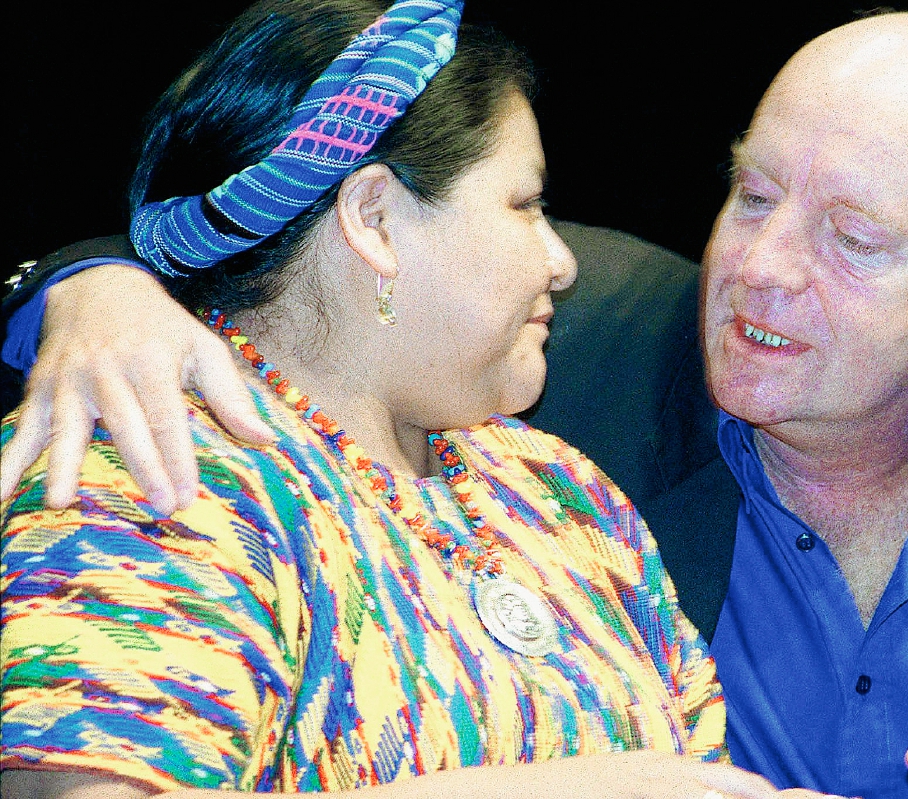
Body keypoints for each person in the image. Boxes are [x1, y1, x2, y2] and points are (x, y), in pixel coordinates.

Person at [3, 9, 908, 799]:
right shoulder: (164, 448)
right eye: (754, 192)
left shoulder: (552, 484)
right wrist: (83, 283)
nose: (763, 266)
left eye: (853, 239)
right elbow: (243, 213)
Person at [0, 1, 817, 798]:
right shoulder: (147, 462)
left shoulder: (561, 489)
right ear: (374, 218)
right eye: (525, 205)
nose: (562, 261)